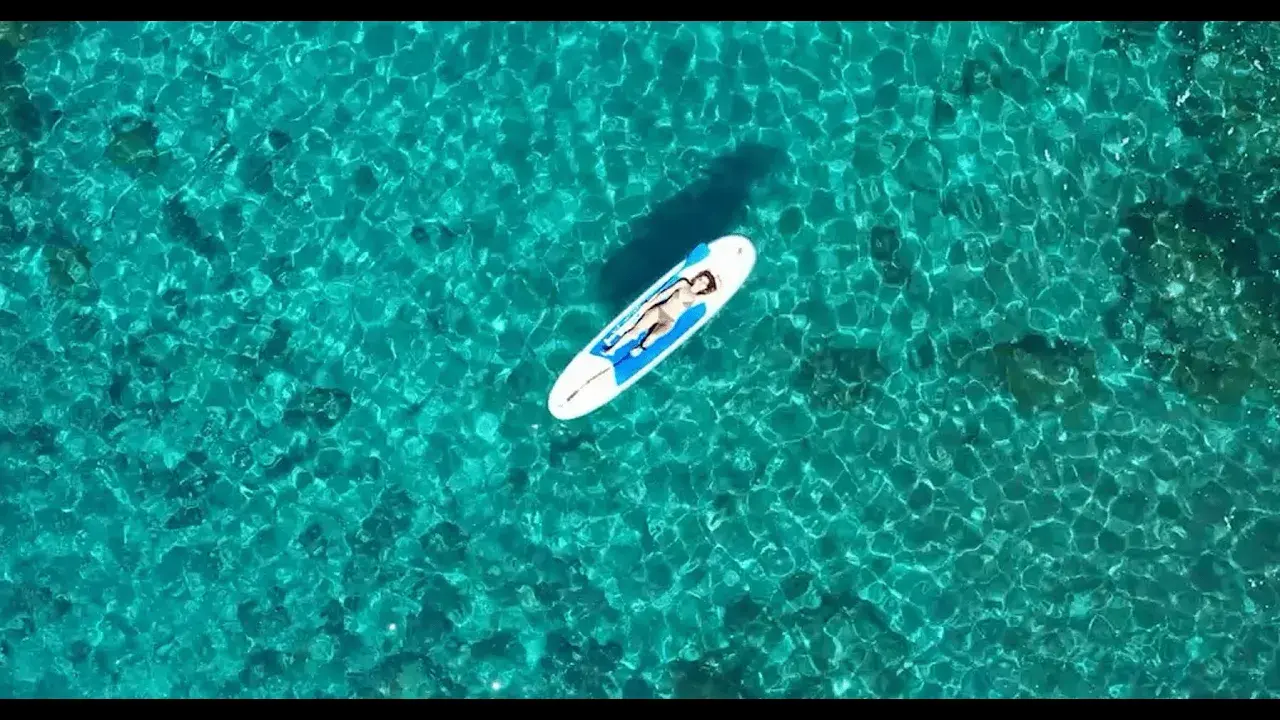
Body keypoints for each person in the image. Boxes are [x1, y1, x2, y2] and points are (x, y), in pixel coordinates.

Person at [603, 269, 719, 357]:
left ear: (705, 288)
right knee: (634, 331)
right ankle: (612, 349)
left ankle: (641, 347)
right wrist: (649, 303)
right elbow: (665, 293)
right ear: (696, 278)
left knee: (651, 337)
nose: (701, 283)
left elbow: (716, 292)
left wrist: (717, 279)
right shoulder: (684, 283)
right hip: (659, 311)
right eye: (701, 279)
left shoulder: (697, 298)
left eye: (704, 283)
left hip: (669, 322)